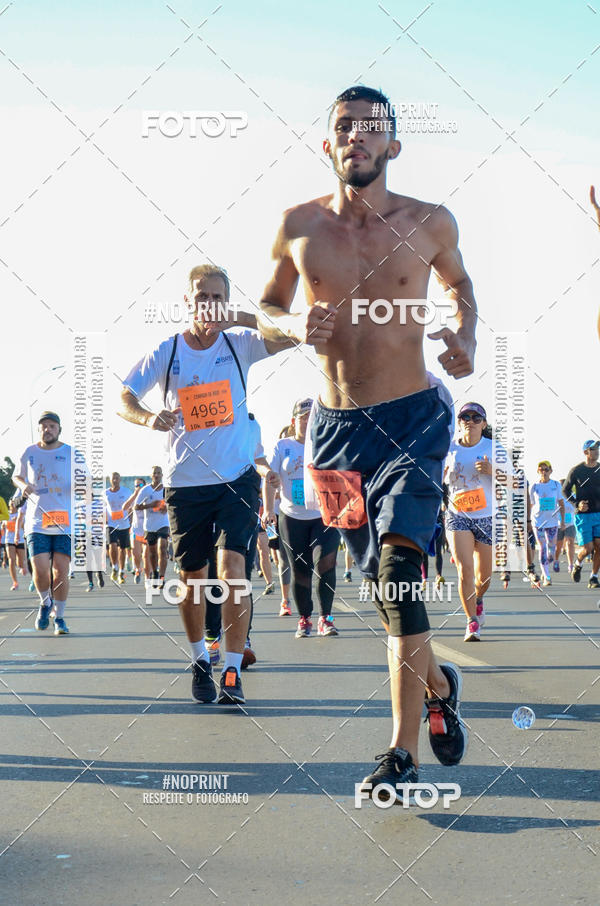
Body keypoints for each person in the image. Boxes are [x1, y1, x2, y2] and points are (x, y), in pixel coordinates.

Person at [258, 84, 476, 796]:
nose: (356, 136)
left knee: (396, 575)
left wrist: (465, 334)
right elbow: (266, 310)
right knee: (388, 597)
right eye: (344, 127)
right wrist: (292, 328)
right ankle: (439, 685)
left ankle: (399, 752)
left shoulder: (431, 222)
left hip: (415, 417)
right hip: (335, 434)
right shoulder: (298, 226)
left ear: (393, 146)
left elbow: (461, 287)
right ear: (328, 144)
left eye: (370, 128)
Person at [119, 263, 293, 705]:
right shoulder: (169, 350)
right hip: (185, 483)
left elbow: (292, 333)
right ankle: (200, 657)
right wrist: (148, 417)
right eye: (202, 297)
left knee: (233, 571)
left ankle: (232, 670)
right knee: (192, 578)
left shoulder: (240, 345)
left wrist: (245, 318)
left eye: (218, 298)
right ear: (188, 301)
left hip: (236, 478)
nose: (210, 305)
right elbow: (125, 397)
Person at [264, 398, 341, 638]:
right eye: (303, 417)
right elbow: (269, 478)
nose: (308, 422)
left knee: (326, 563)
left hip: (324, 515)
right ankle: (305, 618)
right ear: (294, 420)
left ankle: (326, 618)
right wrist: (268, 509)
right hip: (292, 516)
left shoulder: (326, 443)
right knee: (300, 570)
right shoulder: (282, 446)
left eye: (312, 417)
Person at [444, 404, 500, 640]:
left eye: (476, 417)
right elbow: (434, 478)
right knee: (464, 570)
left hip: (486, 517)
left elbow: (516, 482)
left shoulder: (493, 448)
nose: (470, 420)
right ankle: (471, 622)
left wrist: (492, 470)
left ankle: (478, 599)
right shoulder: (449, 448)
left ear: (484, 424)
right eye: (465, 416)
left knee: (483, 578)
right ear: (459, 422)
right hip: (458, 516)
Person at [13, 412, 72, 635]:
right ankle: (45, 602)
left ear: (59, 429)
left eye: (52, 426)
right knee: (40, 569)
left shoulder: (70, 453)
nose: (48, 429)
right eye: (44, 426)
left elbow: (85, 480)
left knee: (60, 571)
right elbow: (16, 476)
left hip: (64, 522)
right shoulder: (29, 452)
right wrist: (23, 485)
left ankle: (60, 617)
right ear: (39, 430)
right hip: (37, 521)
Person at [563, 440, 600, 589]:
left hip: (599, 514)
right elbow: (565, 490)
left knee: (599, 546)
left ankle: (594, 577)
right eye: (593, 449)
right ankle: (578, 564)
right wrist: (577, 504)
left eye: (598, 449)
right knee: (588, 548)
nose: (597, 451)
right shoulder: (576, 470)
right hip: (583, 516)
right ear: (586, 452)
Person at [529, 461, 564, 587]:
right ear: (538, 471)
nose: (544, 472)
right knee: (542, 547)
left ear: (551, 471)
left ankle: (547, 565)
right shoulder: (534, 486)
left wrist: (563, 521)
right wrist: (528, 521)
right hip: (538, 521)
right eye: (541, 469)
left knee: (551, 548)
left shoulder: (555, 485)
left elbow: (561, 503)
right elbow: (531, 504)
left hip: (553, 521)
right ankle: (547, 576)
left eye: (546, 469)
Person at [135, 466, 169, 592]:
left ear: (162, 475)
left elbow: (173, 504)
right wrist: (151, 505)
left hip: (163, 523)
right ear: (151, 475)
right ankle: (155, 572)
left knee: (162, 547)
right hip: (149, 526)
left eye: (159, 473)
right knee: (153, 553)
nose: (156, 475)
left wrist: (167, 508)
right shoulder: (145, 490)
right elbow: (136, 507)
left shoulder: (166, 489)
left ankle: (162, 577)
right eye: (154, 473)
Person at [105, 472, 135, 584]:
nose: (115, 480)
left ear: (120, 479)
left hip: (124, 524)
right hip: (111, 523)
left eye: (117, 478)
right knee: (112, 545)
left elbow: (131, 508)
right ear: (110, 480)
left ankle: (121, 572)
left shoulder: (126, 492)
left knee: (122, 549)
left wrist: (130, 521)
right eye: (113, 478)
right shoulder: (105, 493)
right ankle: (114, 567)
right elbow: (102, 507)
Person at [555, 482, 576, 572]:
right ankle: (556, 560)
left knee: (570, 543)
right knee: (558, 546)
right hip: (558, 524)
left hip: (570, 524)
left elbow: (576, 507)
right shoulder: (556, 496)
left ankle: (571, 565)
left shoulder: (573, 495)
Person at [130, 478, 147, 584]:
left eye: (140, 486)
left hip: (147, 530)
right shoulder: (133, 498)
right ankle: (137, 569)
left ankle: (147, 577)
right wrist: (134, 495)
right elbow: (125, 507)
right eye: (136, 486)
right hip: (136, 530)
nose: (138, 488)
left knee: (146, 556)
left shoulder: (148, 496)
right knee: (136, 554)